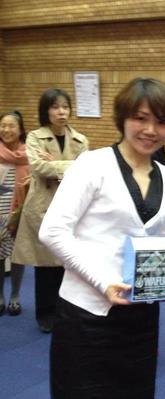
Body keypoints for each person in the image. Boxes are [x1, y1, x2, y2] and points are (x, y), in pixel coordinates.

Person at [38, 77, 165, 399]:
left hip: (140, 316)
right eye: (140, 118)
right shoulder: (93, 165)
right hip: (86, 313)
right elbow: (52, 231)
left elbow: (162, 238)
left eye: (161, 121)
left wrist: (163, 277)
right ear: (123, 118)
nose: (150, 130)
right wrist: (103, 281)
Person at [12, 88, 89, 332]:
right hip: (43, 206)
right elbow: (39, 168)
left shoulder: (80, 140)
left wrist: (55, 165)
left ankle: (65, 311)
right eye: (55, 107)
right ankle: (45, 314)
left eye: (65, 106)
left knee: (67, 263)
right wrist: (71, 166)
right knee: (45, 264)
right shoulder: (35, 137)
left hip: (71, 206)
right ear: (46, 111)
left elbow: (86, 170)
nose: (61, 112)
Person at [0, 111, 30, 316]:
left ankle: (15, 297)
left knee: (18, 256)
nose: (6, 130)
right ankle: (0, 296)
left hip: (19, 214)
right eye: (3, 125)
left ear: (20, 130)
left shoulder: (30, 154)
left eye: (11, 126)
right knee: (0, 258)